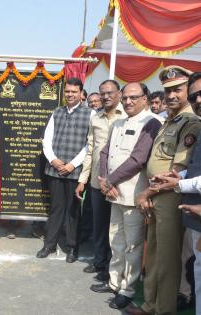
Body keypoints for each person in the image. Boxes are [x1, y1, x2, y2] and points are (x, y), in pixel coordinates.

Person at [128, 66, 201, 315]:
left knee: (167, 259)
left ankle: (163, 309)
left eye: (177, 90)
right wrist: (149, 193)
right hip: (157, 195)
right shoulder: (170, 119)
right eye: (167, 90)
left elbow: (176, 170)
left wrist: (147, 193)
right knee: (156, 254)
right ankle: (150, 304)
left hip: (170, 197)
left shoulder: (190, 121)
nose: (170, 95)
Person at [90, 82, 162, 310]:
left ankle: (127, 289)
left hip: (133, 196)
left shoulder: (152, 123)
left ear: (145, 98)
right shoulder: (119, 122)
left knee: (132, 245)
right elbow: (104, 152)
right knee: (116, 241)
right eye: (126, 98)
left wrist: (109, 181)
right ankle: (114, 282)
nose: (128, 102)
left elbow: (138, 160)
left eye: (134, 97)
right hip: (113, 194)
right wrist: (103, 179)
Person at [38, 77, 94, 262]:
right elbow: (47, 139)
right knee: (56, 208)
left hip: (75, 172)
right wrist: (53, 160)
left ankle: (71, 247)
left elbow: (89, 144)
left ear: (81, 93)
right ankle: (49, 245)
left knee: (72, 211)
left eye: (73, 92)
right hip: (54, 169)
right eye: (67, 91)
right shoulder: (57, 112)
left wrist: (72, 164)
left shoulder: (91, 114)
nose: (70, 94)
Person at [76, 80, 126, 281]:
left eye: (109, 93)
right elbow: (90, 150)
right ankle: (99, 261)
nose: (105, 97)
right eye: (102, 93)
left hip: (119, 183)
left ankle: (113, 268)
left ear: (119, 94)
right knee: (99, 224)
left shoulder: (126, 117)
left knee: (115, 229)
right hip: (97, 181)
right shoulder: (95, 118)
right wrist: (83, 179)